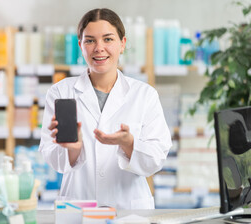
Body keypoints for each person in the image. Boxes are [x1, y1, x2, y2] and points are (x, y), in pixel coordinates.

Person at [39, 8, 172, 209]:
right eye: (90, 40)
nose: (99, 48)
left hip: (128, 209)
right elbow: (50, 155)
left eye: (108, 39)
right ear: (80, 46)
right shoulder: (60, 92)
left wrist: (129, 144)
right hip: (78, 207)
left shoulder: (145, 95)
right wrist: (73, 150)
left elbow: (156, 159)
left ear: (122, 44)